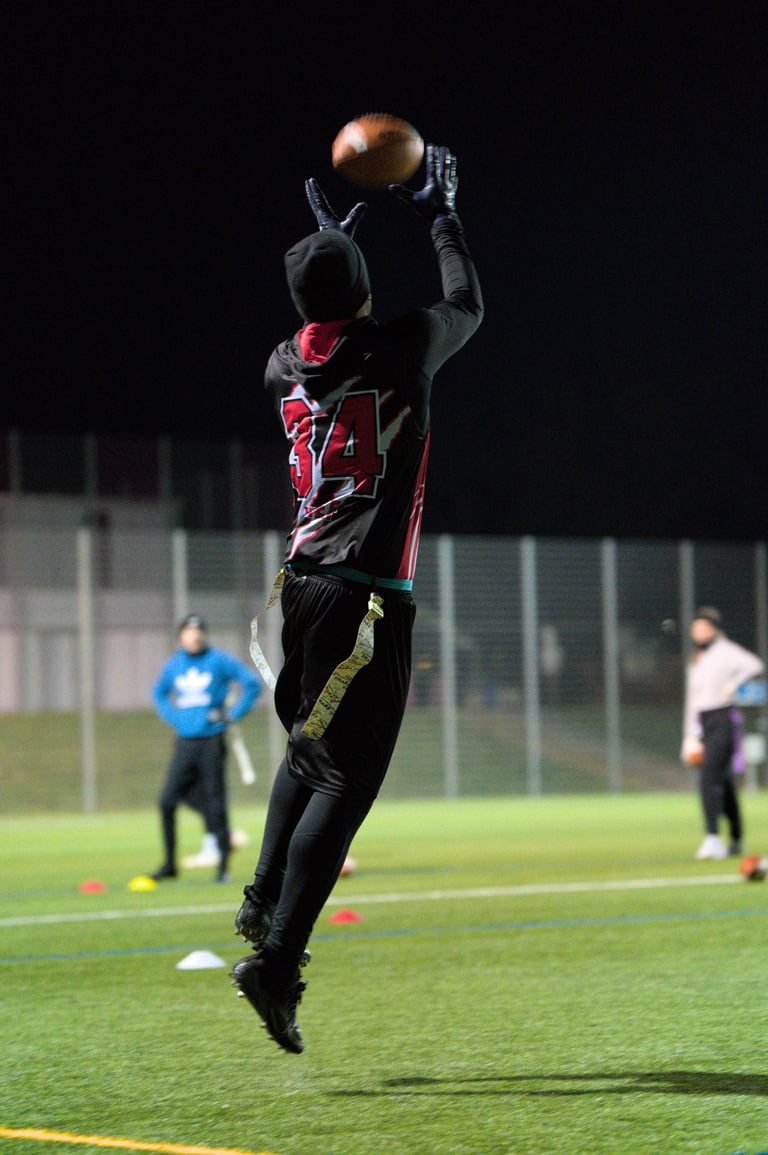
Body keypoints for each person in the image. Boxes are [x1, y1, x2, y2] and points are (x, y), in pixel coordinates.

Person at [229, 143, 483, 1053]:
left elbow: (323, 325)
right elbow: (466, 304)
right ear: (364, 290)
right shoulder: (399, 345)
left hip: (299, 584)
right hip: (367, 596)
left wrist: (331, 253)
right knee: (347, 780)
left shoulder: (278, 364)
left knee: (307, 751)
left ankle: (262, 898)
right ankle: (277, 960)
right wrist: (438, 214)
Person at [150, 613, 261, 883]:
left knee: (215, 800)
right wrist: (175, 717)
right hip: (185, 742)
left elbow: (251, 683)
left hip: (211, 741)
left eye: (199, 632)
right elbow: (159, 693)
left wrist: (232, 714)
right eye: (189, 632)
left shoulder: (218, 660)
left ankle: (222, 868)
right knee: (167, 801)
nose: (195, 636)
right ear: (181, 636)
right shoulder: (174, 665)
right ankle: (169, 864)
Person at [681, 606, 764, 861]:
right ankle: (736, 839)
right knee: (725, 782)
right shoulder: (696, 659)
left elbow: (755, 665)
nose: (698, 631)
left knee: (708, 778)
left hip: (723, 719)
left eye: (703, 627)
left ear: (714, 629)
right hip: (704, 722)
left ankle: (713, 838)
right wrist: (689, 736)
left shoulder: (726, 650)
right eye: (696, 627)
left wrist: (734, 684)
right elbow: (692, 700)